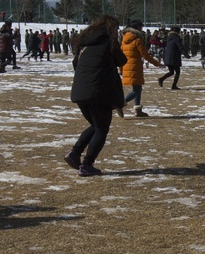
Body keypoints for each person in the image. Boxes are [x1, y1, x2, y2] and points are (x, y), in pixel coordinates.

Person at [65, 15, 126, 177]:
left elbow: (75, 65)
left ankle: (75, 153)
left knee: (96, 125)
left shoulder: (83, 44)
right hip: (98, 92)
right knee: (102, 128)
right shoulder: (108, 42)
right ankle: (86, 165)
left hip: (79, 92)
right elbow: (122, 60)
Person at [119, 20, 162, 118]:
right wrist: (156, 63)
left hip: (126, 65)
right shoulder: (137, 39)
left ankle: (138, 110)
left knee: (137, 88)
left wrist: (121, 68)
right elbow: (145, 54)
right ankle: (121, 103)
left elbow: (121, 55)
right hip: (135, 66)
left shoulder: (124, 39)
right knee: (137, 89)